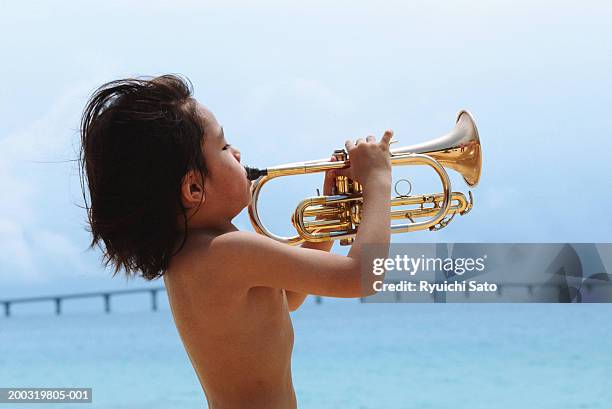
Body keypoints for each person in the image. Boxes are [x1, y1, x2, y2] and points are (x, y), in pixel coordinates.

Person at [80, 74, 392, 409]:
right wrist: (378, 180)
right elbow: (360, 275)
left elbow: (284, 299)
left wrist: (329, 217)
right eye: (224, 147)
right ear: (194, 188)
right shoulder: (228, 251)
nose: (238, 152)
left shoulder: (192, 254)